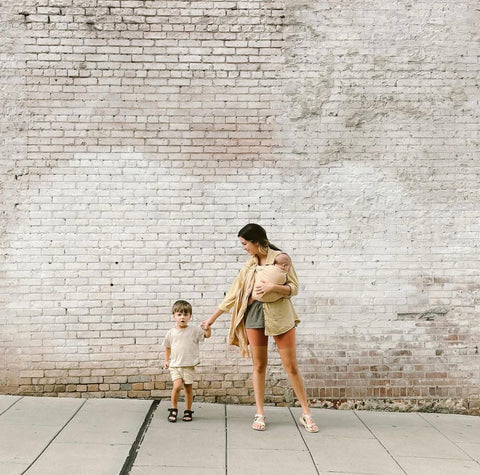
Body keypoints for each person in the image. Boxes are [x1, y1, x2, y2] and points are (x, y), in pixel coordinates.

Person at [201, 224, 318, 433]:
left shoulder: (281, 259)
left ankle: (306, 413)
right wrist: (211, 319)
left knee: (290, 365)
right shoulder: (249, 266)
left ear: (256, 241)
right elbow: (233, 294)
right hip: (254, 314)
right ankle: (260, 413)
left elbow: (294, 288)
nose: (244, 248)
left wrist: (274, 288)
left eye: (245, 244)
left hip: (281, 315)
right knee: (259, 365)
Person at [164, 299, 211, 422]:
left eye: (185, 314)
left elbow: (206, 335)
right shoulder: (171, 333)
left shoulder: (194, 331)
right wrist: (166, 360)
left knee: (188, 389)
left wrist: (207, 328)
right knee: (177, 386)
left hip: (189, 365)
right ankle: (173, 408)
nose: (182, 317)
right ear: (174, 316)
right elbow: (167, 347)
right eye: (179, 314)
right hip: (175, 365)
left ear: (190, 316)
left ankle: (188, 410)